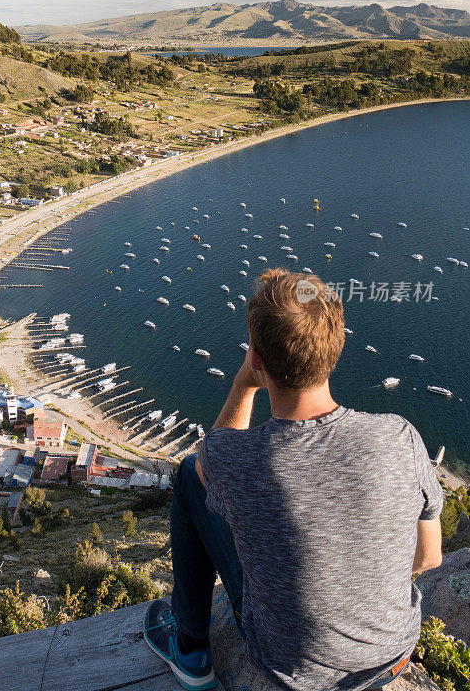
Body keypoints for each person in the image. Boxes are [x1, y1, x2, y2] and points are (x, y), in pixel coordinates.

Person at [143, 268, 443, 691]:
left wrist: (243, 385)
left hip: (288, 665)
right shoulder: (399, 436)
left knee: (189, 479)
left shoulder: (234, 459)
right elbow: (430, 558)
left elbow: (209, 462)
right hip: (391, 656)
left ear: (257, 360)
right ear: (336, 348)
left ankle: (191, 647)